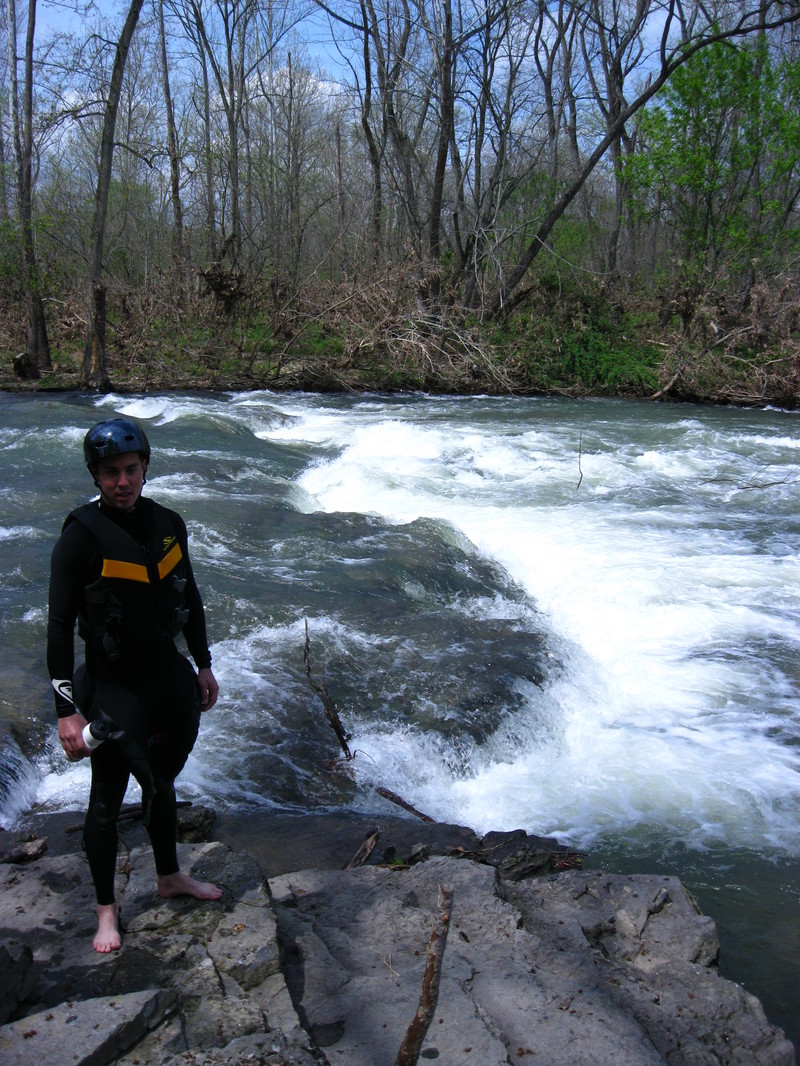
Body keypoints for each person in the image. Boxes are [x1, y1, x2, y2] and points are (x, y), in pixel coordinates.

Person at [47, 416, 222, 953]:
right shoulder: (80, 536)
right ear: (95, 476)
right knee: (105, 800)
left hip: (167, 680)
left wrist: (203, 663)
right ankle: (106, 910)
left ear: (145, 468)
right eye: (109, 473)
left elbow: (188, 599)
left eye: (129, 469)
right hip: (113, 685)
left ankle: (169, 876)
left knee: (163, 784)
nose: (121, 482)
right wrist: (66, 710)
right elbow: (57, 625)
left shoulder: (169, 523)